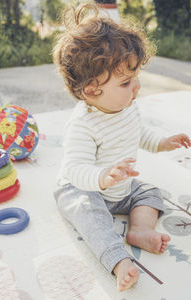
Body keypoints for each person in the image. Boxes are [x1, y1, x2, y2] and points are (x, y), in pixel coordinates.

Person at [53, 3, 191, 292]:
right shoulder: (84, 125)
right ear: (92, 90)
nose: (137, 86)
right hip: (86, 188)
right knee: (91, 217)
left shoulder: (126, 107)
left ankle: (140, 230)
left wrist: (163, 143)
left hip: (120, 187)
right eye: (127, 81)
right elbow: (74, 169)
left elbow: (138, 133)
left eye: (135, 77)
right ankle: (118, 261)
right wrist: (102, 177)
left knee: (151, 193)